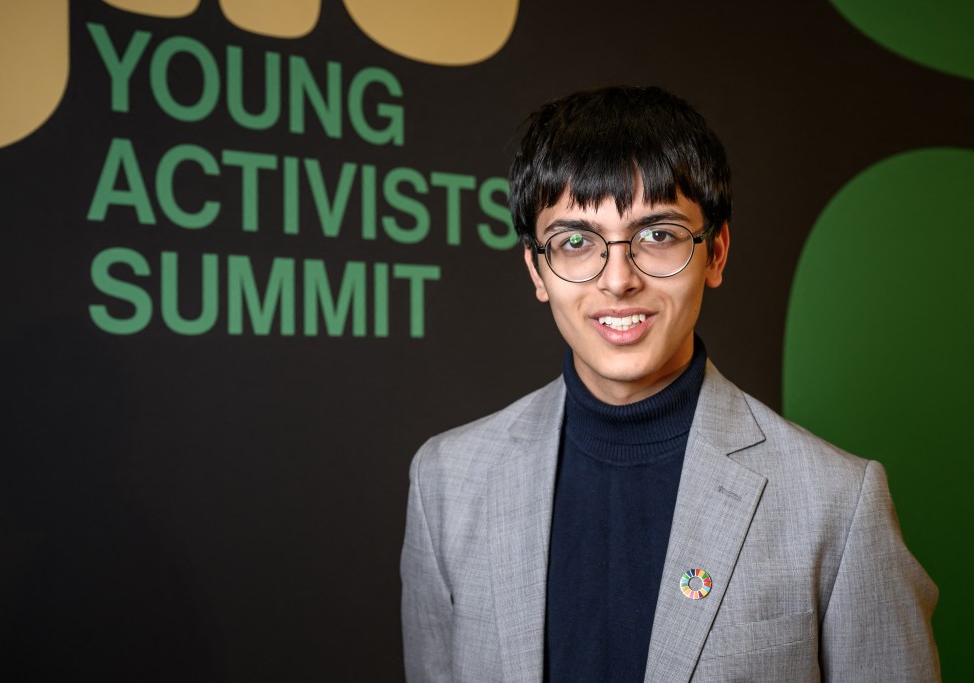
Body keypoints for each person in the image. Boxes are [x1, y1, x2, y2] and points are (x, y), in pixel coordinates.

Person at [400, 86, 939, 682]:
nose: (618, 280)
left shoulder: (838, 503)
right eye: (576, 242)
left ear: (716, 253)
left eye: (658, 235)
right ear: (536, 269)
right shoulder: (446, 482)